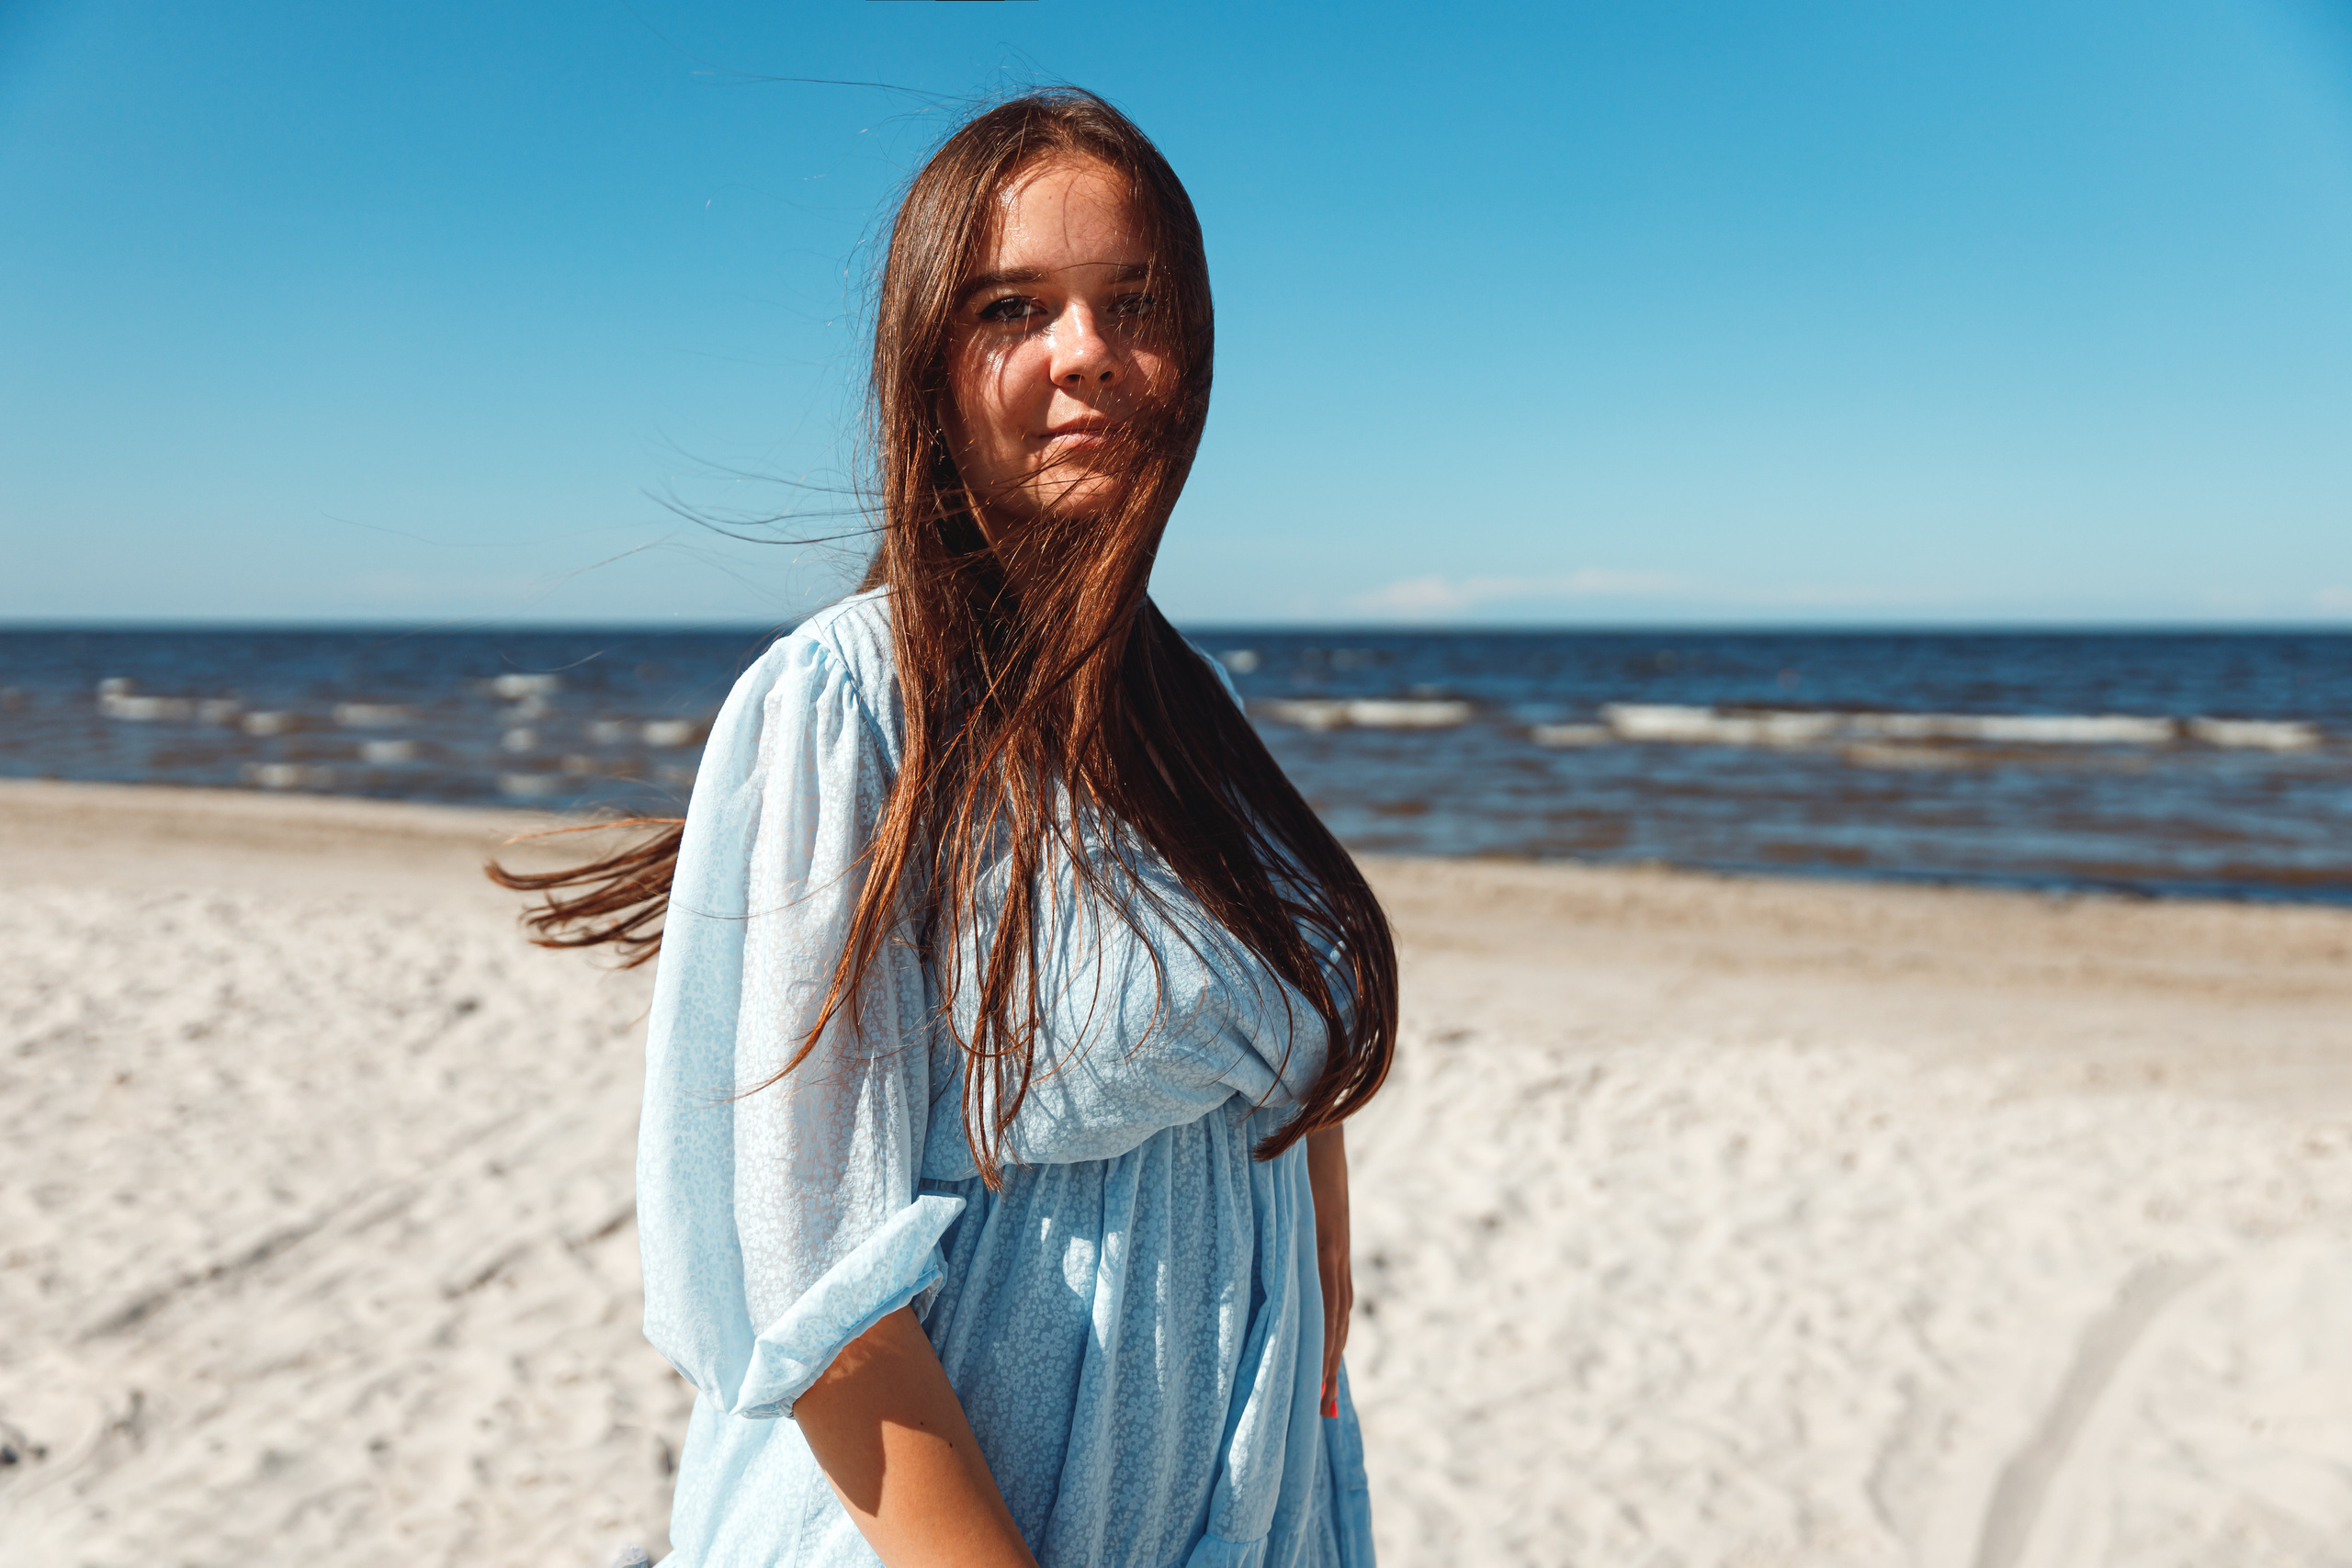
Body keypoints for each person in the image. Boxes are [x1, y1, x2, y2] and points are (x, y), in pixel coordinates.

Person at [500, 88, 1396, 1568]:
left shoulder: (1201, 707)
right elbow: (818, 1298)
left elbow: (1287, 1031)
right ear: (928, 367)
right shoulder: (844, 708)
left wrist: (1313, 1252)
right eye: (1013, 306)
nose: (1087, 349)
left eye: (1133, 300)